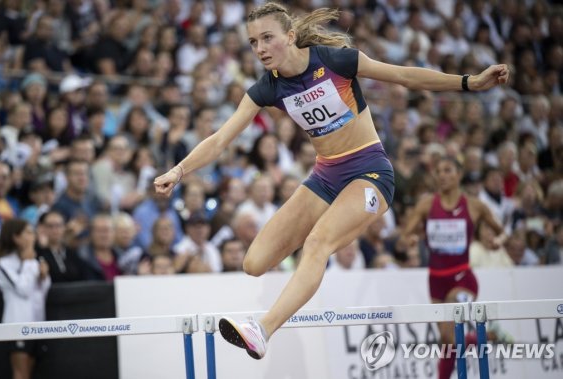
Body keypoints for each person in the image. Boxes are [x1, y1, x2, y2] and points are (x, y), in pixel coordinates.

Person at [154, 1, 510, 360]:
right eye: (252, 42)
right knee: (254, 263)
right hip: (326, 176)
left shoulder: (335, 60)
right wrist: (178, 170)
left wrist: (469, 82)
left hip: (370, 172)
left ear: (290, 36)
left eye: (267, 38)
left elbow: (404, 75)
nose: (260, 49)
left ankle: (262, 329)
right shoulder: (268, 88)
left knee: (317, 244)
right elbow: (219, 139)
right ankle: (264, 323)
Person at [401, 157, 506, 379]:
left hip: (463, 278)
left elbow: (502, 231)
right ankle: (488, 336)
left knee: (452, 335)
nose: (442, 175)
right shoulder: (427, 204)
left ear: (459, 174)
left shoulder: (474, 205)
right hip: (435, 280)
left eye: (447, 170)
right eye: (438, 171)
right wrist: (409, 240)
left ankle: (488, 336)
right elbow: (405, 235)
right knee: (448, 342)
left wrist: (497, 242)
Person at [0, 219, 51, 379]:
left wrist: (43, 277)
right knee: (21, 373)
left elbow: (42, 291)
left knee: (31, 372)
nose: (33, 236)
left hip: (38, 325)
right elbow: (23, 290)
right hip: (17, 325)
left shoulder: (33, 259)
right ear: (16, 237)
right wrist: (27, 263)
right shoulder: (4, 262)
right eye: (28, 232)